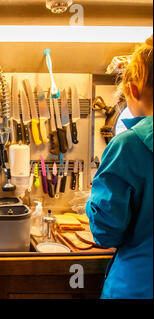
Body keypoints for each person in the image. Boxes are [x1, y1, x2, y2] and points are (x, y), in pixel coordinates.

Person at [86, 35, 153, 299]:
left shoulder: (129, 146)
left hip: (138, 286)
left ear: (132, 90)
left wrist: (94, 202)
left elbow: (107, 232)